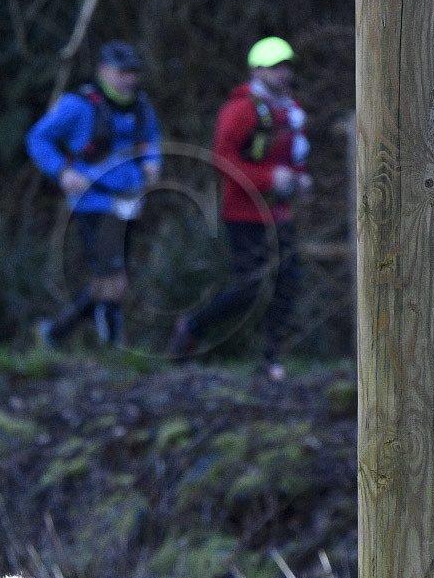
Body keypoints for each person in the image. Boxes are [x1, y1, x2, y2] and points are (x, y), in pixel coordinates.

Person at [169, 37, 311, 379]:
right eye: (274, 67)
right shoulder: (240, 110)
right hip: (244, 215)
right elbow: (223, 161)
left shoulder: (291, 112)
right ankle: (192, 327)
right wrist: (268, 178)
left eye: (286, 66)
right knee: (249, 288)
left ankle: (271, 360)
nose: (283, 73)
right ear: (256, 71)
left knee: (287, 284)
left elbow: (294, 156)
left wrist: (299, 178)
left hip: (281, 214)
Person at [26, 41, 161, 347]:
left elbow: (151, 137)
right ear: (103, 71)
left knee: (110, 278)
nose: (128, 79)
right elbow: (38, 138)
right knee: (114, 278)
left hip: (129, 202)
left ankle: (54, 333)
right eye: (121, 72)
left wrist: (153, 162)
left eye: (133, 72)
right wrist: (61, 171)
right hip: (93, 203)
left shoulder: (140, 105)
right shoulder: (78, 105)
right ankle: (112, 349)